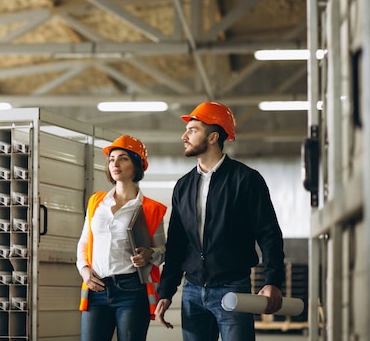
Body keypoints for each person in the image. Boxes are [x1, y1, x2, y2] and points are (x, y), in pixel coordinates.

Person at [154, 101, 285, 341]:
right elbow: (176, 244)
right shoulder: (183, 186)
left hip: (232, 289)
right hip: (192, 291)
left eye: (193, 130)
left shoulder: (246, 180)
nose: (184, 136)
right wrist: (166, 291)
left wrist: (272, 281)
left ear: (213, 136)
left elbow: (269, 234)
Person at [76, 135, 167, 341]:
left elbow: (162, 251)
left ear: (137, 165)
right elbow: (84, 242)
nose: (115, 163)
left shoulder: (150, 208)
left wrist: (150, 254)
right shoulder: (96, 202)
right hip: (96, 288)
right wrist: (84, 270)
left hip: (132, 291)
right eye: (111, 159)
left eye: (123, 158)